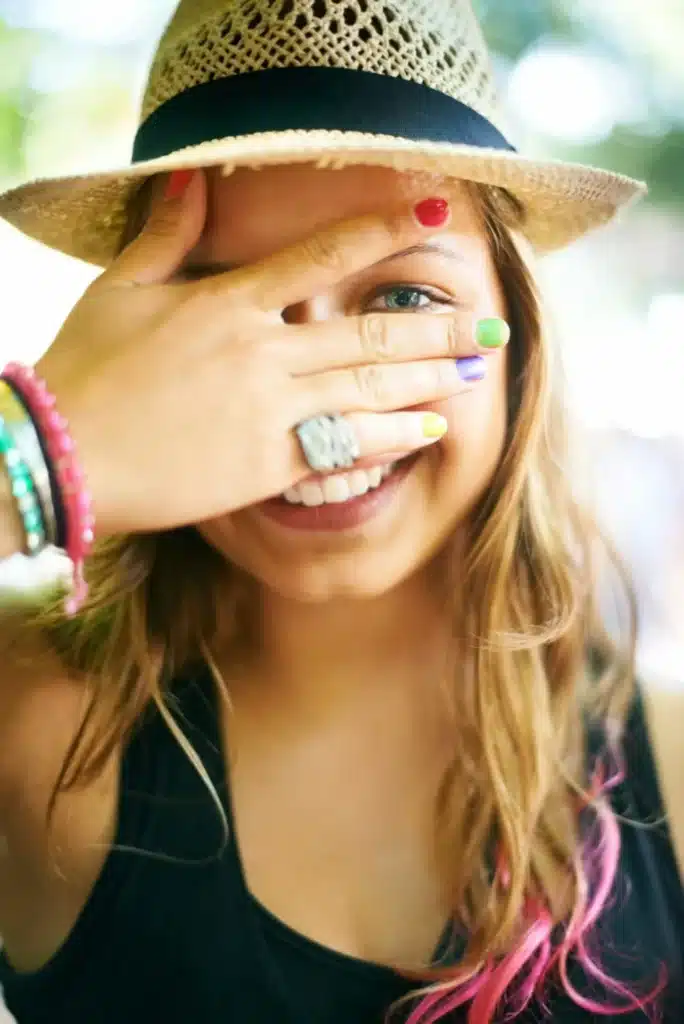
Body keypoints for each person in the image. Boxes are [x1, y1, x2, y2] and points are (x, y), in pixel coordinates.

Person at [0, 0, 680, 1021]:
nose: (322, 413)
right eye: (226, 310)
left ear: (519, 342)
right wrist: (38, 452)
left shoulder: (670, 755)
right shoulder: (34, 724)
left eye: (401, 299)